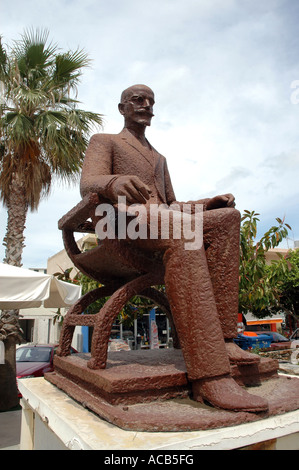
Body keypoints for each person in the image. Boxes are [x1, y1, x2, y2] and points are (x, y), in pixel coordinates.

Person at [80, 84, 268, 413]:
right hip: (121, 223)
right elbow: (88, 181)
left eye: (151, 101)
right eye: (138, 100)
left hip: (163, 220)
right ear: (122, 107)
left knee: (227, 218)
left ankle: (224, 341)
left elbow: (171, 205)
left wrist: (206, 203)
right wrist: (112, 183)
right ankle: (211, 378)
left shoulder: (159, 158)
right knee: (183, 229)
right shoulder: (105, 141)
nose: (146, 105)